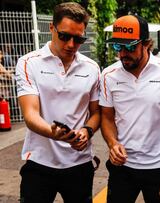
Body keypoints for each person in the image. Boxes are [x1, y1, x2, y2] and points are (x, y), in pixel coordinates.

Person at [15, 2, 100, 203]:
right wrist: (56, 134)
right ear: (51, 28)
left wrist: (86, 131)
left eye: (78, 39)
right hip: (39, 163)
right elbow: (30, 114)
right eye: (64, 36)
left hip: (79, 163)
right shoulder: (29, 63)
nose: (71, 44)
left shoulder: (92, 68)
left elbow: (96, 113)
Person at [99, 15, 160, 203]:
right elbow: (107, 117)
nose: (123, 53)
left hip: (159, 167)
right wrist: (112, 144)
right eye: (118, 47)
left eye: (131, 47)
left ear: (147, 44)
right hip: (122, 168)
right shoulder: (109, 75)